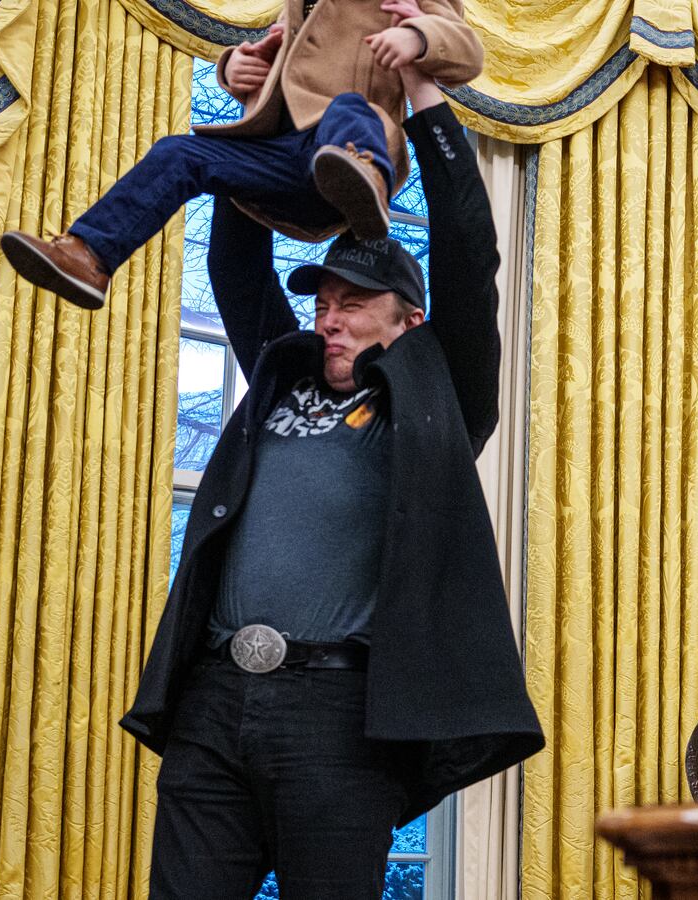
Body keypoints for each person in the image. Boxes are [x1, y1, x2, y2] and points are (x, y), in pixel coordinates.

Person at [119, 57, 542, 897]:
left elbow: (468, 253)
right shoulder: (285, 371)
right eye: (321, 301)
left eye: (352, 303)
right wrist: (260, 110)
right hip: (214, 699)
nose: (329, 317)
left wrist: (424, 98)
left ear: (408, 319)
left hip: (337, 721)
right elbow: (237, 271)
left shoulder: (439, 397)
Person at [0, 0, 481, 311]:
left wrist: (417, 37)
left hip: (348, 144)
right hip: (283, 157)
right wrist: (237, 66)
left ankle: (362, 180)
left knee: (347, 107)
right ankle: (90, 256)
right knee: (179, 153)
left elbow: (466, 52)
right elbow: (285, 65)